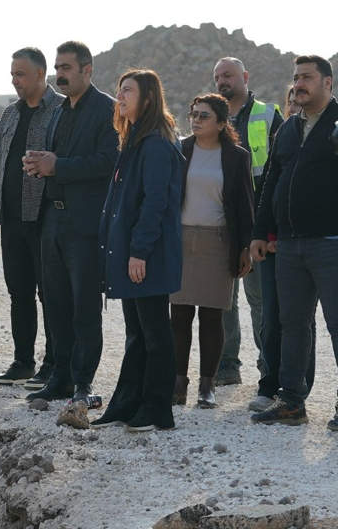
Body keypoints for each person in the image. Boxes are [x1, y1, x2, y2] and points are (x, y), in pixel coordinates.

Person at [21, 41, 119, 403]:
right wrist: (39, 165)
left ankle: (83, 383)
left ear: (87, 70)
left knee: (84, 308)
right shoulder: (61, 111)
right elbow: (56, 160)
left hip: (85, 225)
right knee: (56, 304)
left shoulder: (107, 110)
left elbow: (109, 161)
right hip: (54, 219)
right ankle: (60, 377)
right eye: (57, 68)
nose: (59, 74)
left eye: (66, 67)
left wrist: (57, 165)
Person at [91, 69, 183, 432]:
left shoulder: (157, 143)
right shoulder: (133, 141)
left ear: (147, 99)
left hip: (149, 256)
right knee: (138, 333)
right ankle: (127, 405)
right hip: (134, 254)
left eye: (128, 90)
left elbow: (155, 204)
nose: (120, 96)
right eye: (119, 90)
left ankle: (157, 410)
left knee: (155, 333)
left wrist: (139, 252)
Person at [249, 55, 338, 430]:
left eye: (307, 77)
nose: (299, 83)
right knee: (293, 325)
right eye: (296, 77)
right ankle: (291, 402)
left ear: (328, 84)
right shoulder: (287, 129)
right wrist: (259, 231)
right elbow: (271, 182)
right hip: (288, 246)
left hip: (330, 243)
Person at [0, 48, 62, 386]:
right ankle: (22, 362)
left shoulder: (60, 109)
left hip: (45, 218)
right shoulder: (10, 113)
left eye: (21, 74)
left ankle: (54, 364)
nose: (14, 80)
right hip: (12, 219)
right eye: (13, 74)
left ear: (41, 74)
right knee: (19, 293)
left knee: (51, 294)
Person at [170, 93, 254, 409]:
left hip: (218, 243)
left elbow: (245, 207)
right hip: (179, 240)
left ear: (221, 123)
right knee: (178, 314)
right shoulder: (179, 149)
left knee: (211, 315)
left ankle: (208, 385)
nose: (196, 120)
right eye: (194, 114)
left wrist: (245, 246)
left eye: (205, 116)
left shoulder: (237, 157)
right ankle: (178, 383)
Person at [210, 57, 284, 387]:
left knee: (260, 299)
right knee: (225, 298)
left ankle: (269, 366)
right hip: (223, 221)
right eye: (217, 77)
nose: (222, 81)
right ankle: (227, 365)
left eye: (228, 75)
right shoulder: (211, 116)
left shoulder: (268, 115)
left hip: (257, 222)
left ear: (245, 76)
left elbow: (284, 167)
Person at [250, 83, 317, 413]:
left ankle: (299, 387)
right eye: (289, 100)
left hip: (313, 245)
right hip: (277, 246)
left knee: (306, 322)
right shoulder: (285, 137)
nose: (293, 105)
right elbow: (269, 189)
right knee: (275, 319)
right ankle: (276, 387)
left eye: (297, 100)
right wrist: (262, 234)